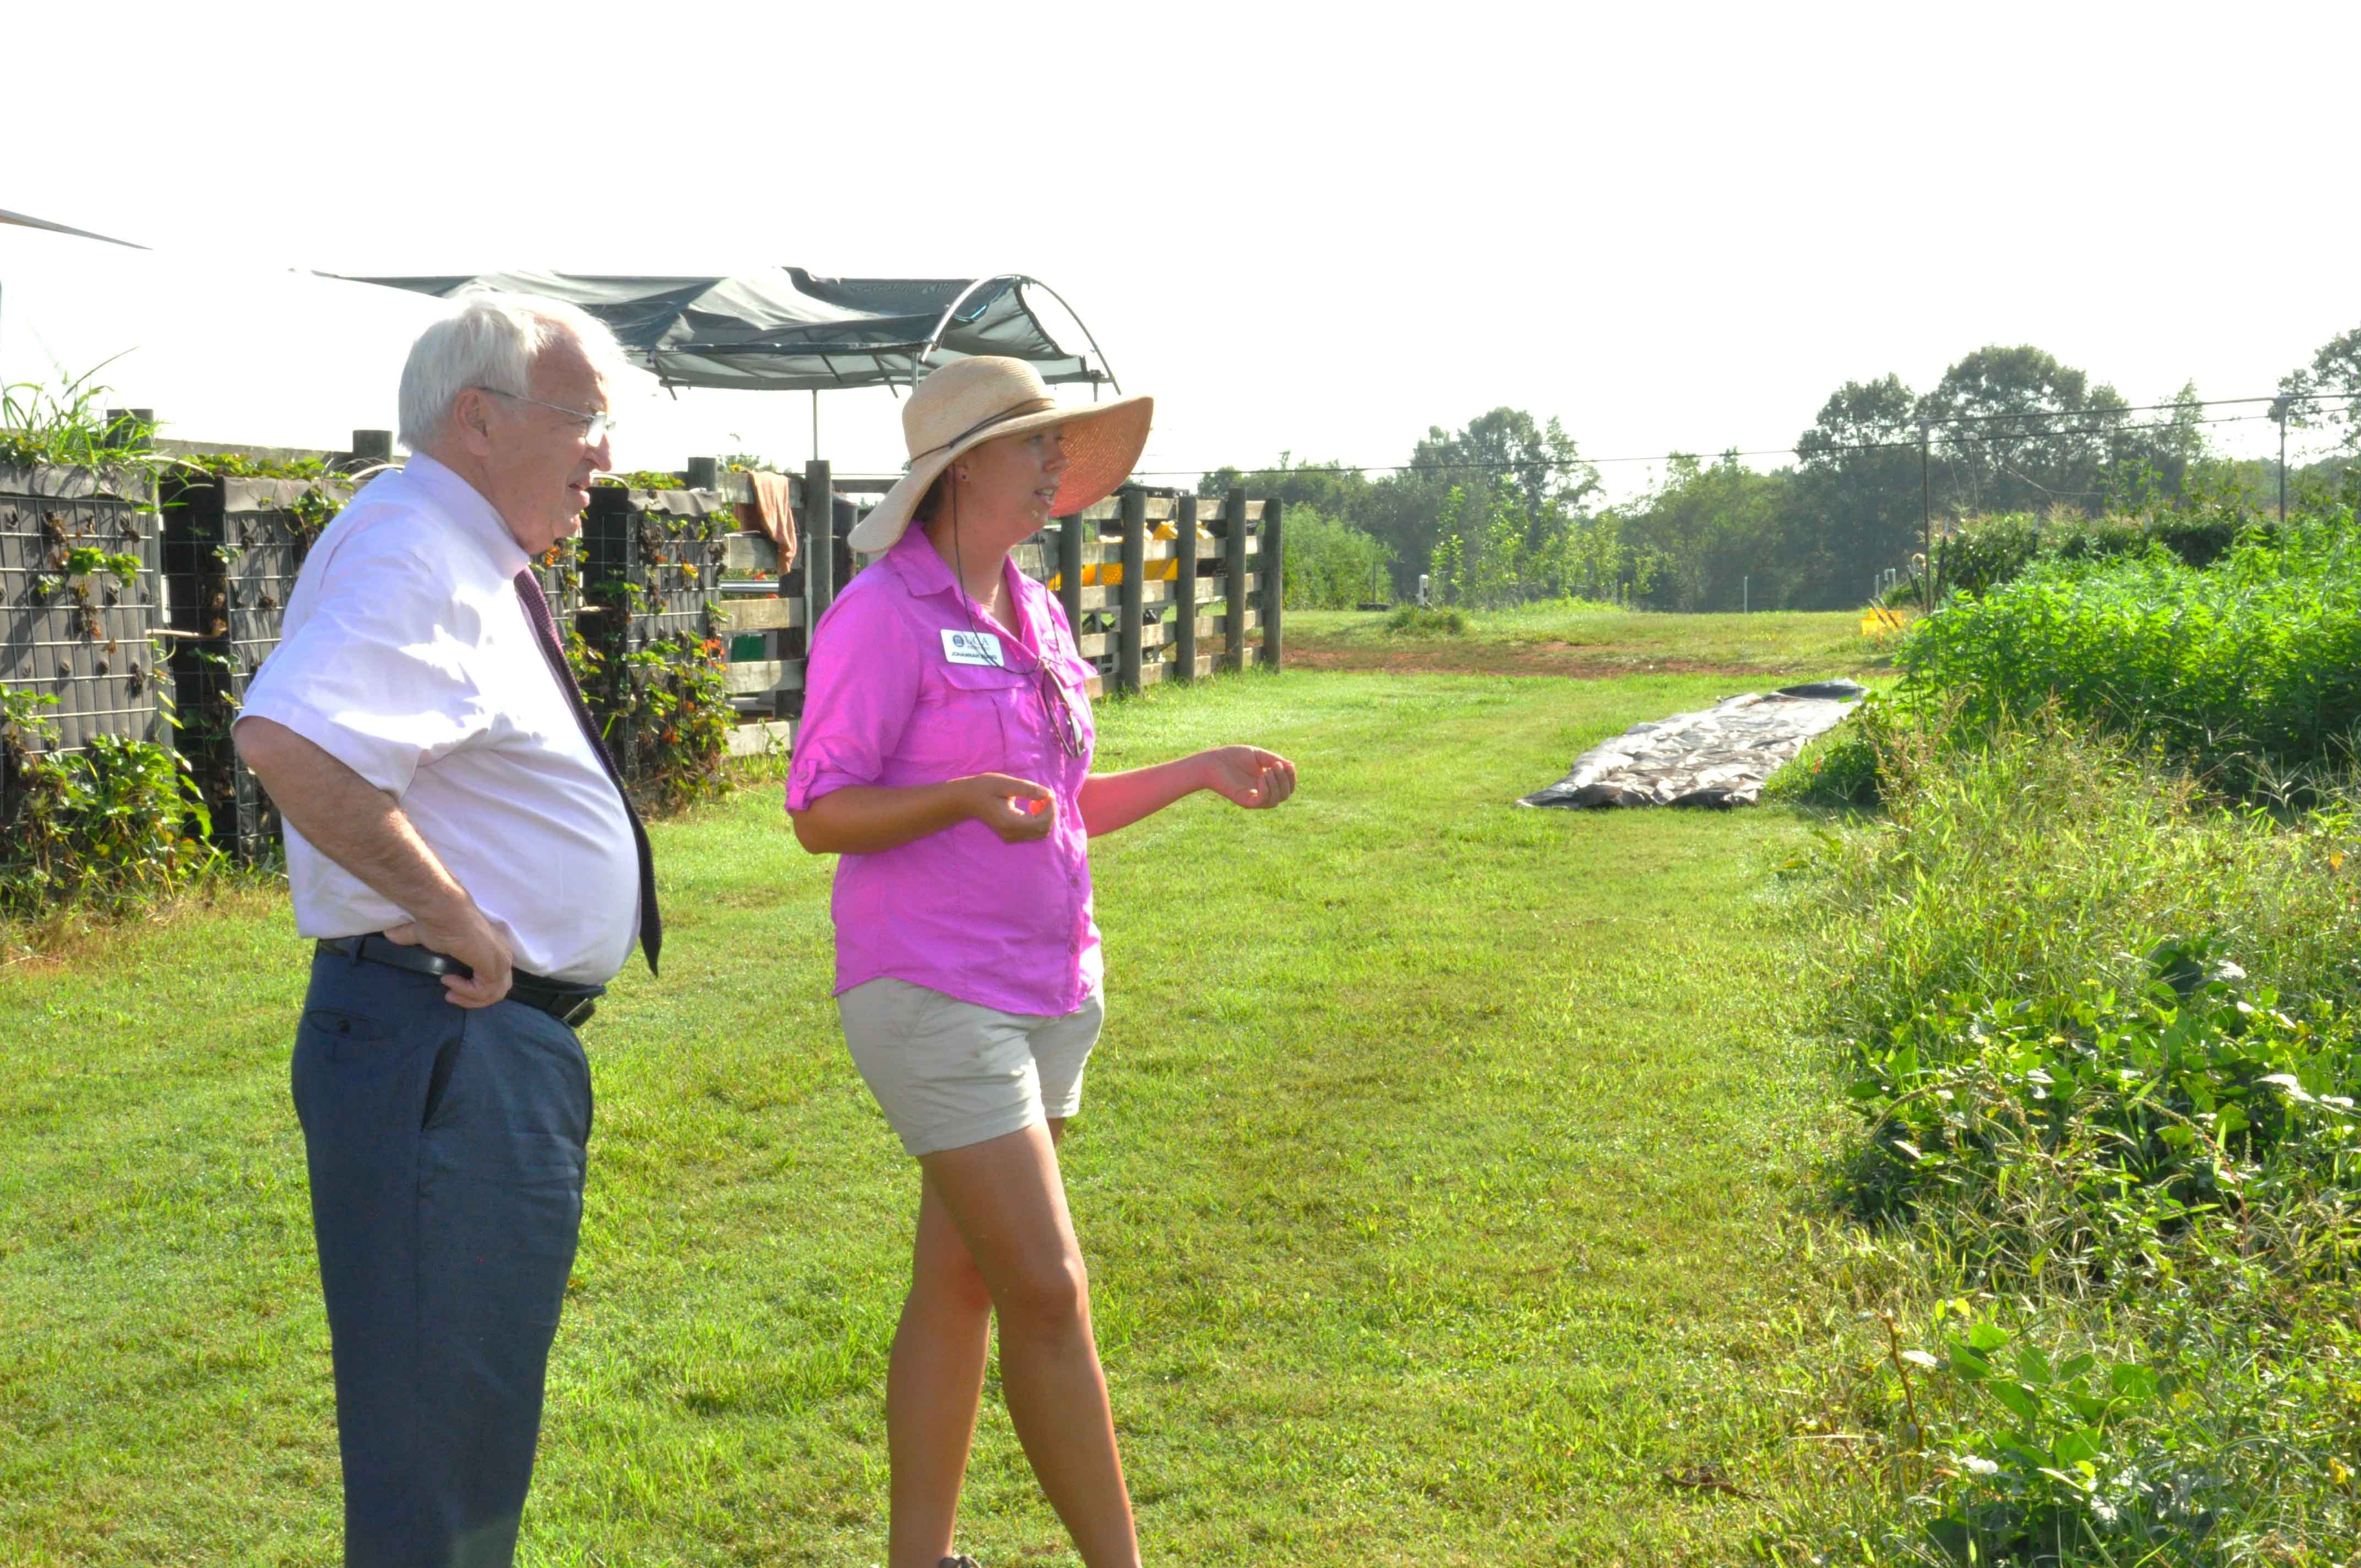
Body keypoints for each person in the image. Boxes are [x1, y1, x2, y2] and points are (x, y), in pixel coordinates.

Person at [786, 356, 1298, 1568]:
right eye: (1038, 446)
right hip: (928, 986)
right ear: (966, 465)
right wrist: (957, 797)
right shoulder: (880, 614)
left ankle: (918, 1558)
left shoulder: (1037, 610)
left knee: (962, 1279)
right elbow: (819, 810)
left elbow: (1060, 802)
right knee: (1051, 1288)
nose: (1057, 467)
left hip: (1049, 984)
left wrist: (1195, 768)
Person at [235, 292, 660, 1568]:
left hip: (458, 1042)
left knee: (460, 1435)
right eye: (584, 419)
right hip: (444, 1036)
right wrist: (454, 915)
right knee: (438, 1457)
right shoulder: (419, 543)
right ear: (479, 419)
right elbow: (291, 739)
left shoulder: (452, 545)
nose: (604, 452)